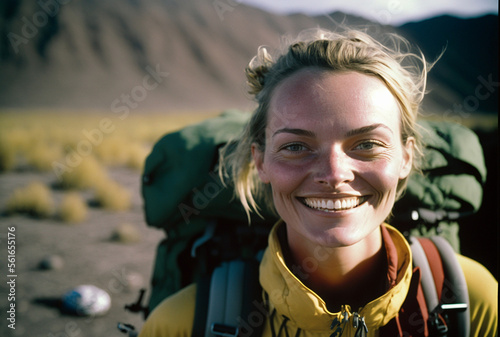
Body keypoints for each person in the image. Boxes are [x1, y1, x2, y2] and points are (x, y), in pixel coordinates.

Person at [139, 28, 497, 337]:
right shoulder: (181, 324)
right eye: (296, 146)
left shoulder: (472, 301)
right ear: (260, 160)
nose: (334, 174)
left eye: (367, 144)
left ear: (405, 157)